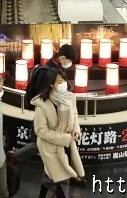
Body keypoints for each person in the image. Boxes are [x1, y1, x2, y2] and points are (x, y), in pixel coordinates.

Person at [31, 68, 86, 197]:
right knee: (63, 180)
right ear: (51, 84)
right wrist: (64, 138)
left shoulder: (69, 98)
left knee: (51, 175)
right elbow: (41, 131)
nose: (62, 84)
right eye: (59, 82)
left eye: (63, 81)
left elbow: (75, 118)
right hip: (50, 148)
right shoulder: (42, 105)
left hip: (66, 146)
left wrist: (76, 131)